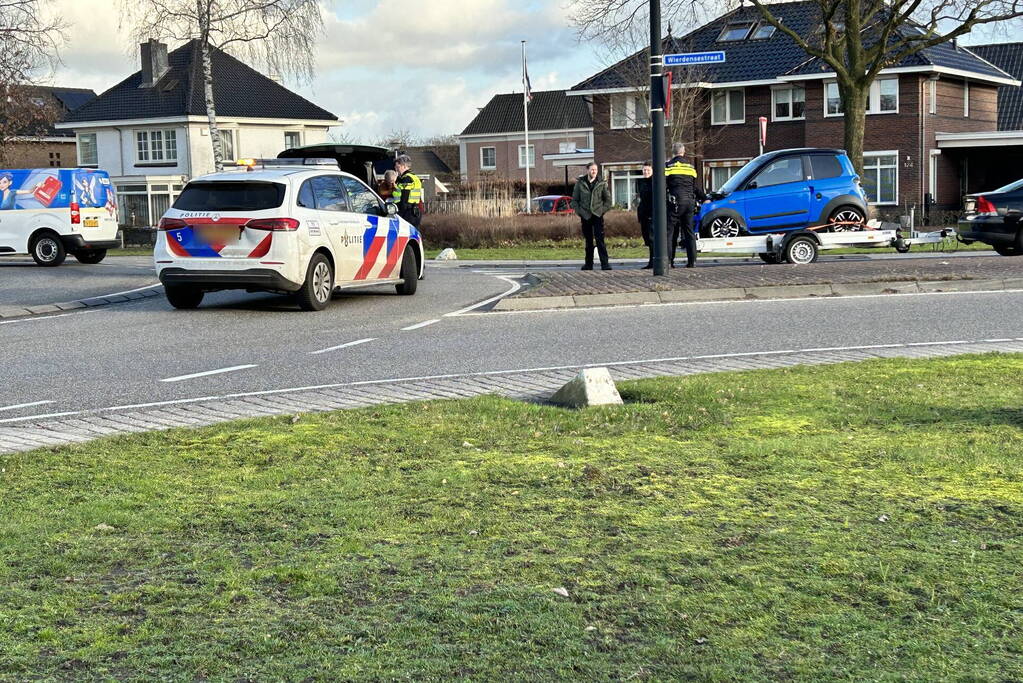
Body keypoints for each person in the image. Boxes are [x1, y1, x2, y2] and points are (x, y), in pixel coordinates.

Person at [665, 142, 706, 268]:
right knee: (689, 232)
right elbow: (695, 187)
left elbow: (663, 185)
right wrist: (705, 198)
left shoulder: (668, 166)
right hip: (689, 202)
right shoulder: (690, 167)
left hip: (675, 203)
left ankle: (669, 261)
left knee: (670, 232)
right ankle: (692, 261)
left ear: (673, 152)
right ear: (683, 152)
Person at [570, 162, 613, 271]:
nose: (594, 171)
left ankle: (605, 264)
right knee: (588, 241)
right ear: (587, 170)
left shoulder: (601, 183)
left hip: (598, 215)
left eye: (596, 170)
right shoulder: (580, 183)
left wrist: (601, 211)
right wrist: (580, 212)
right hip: (585, 216)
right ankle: (588, 264)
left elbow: (608, 201)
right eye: (592, 169)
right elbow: (574, 201)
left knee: (600, 240)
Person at [390, 155, 423, 227]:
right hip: (414, 211)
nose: (396, 169)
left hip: (407, 213)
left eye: (397, 167)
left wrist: (400, 214)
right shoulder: (414, 177)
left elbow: (405, 198)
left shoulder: (406, 179)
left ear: (404, 166)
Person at [635, 161, 654, 269]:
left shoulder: (655, 182)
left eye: (648, 170)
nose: (646, 172)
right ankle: (651, 261)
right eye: (644, 170)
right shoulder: (641, 182)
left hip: (651, 213)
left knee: (652, 239)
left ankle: (652, 261)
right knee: (647, 238)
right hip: (643, 214)